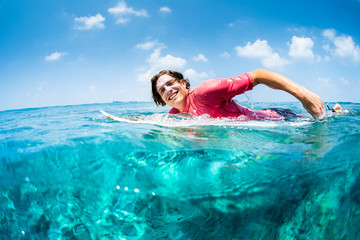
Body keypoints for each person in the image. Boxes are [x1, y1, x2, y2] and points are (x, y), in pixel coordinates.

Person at [151, 69, 326, 121]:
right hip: (262, 115)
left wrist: (303, 94)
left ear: (183, 83)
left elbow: (258, 75)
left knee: (325, 116)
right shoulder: (174, 116)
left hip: (280, 118)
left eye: (170, 83)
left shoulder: (206, 92)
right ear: (162, 99)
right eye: (162, 90)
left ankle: (336, 110)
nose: (168, 90)